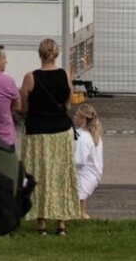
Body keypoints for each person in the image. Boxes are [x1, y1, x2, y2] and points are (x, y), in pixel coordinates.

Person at [20, 38, 80, 235]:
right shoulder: (64, 75)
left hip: (37, 132)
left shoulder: (30, 77)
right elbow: (68, 103)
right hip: (61, 131)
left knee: (39, 175)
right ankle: (62, 224)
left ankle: (41, 224)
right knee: (61, 174)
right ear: (56, 54)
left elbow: (24, 107)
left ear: (39, 54)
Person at [74, 103, 103, 219]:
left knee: (79, 194)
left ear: (83, 119)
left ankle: (81, 214)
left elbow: (79, 160)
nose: (74, 117)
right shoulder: (94, 134)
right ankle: (82, 212)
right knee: (81, 196)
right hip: (93, 173)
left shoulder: (82, 137)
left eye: (76, 115)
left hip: (85, 175)